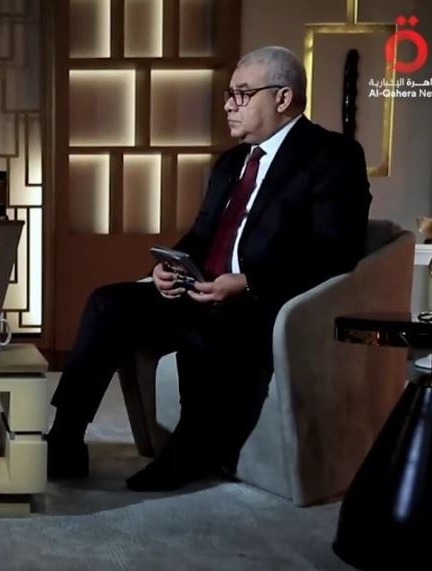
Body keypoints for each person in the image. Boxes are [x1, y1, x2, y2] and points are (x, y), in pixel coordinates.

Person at [46, 46, 372, 491]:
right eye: (228, 95)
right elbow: (201, 235)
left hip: (262, 301)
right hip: (203, 290)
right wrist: (168, 267)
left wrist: (249, 282)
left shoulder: (332, 156)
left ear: (282, 97)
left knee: (212, 329)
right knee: (108, 303)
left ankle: (188, 453)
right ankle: (65, 438)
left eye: (242, 94)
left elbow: (335, 250)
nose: (229, 106)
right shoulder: (232, 162)